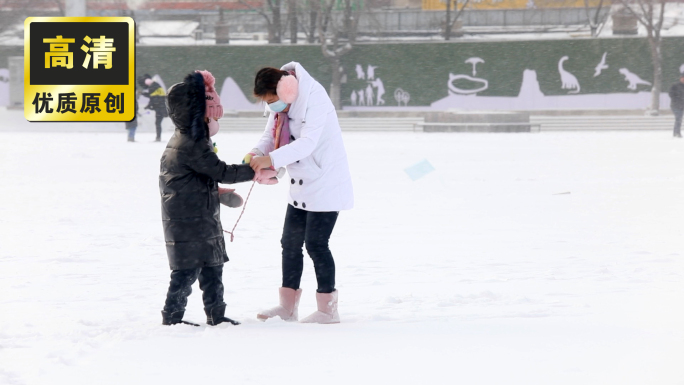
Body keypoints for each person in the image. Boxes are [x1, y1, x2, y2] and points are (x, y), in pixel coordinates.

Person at [159, 70, 277, 327]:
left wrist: (216, 193)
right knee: (186, 271)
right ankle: (172, 316)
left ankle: (216, 313)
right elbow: (219, 170)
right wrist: (254, 169)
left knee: (213, 267)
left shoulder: (189, 139)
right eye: (206, 111)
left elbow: (195, 178)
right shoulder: (191, 143)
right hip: (188, 221)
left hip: (199, 216)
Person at [246, 62, 354, 324]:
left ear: (286, 88)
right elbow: (269, 135)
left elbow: (307, 143)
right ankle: (287, 306)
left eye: (272, 100)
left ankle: (328, 309)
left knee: (317, 245)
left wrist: (270, 159)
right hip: (301, 182)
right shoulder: (283, 100)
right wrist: (256, 153)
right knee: (290, 243)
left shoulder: (314, 97)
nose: (272, 106)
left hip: (325, 181)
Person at [139, 74, 168, 142]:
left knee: (158, 123)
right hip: (162, 107)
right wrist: (142, 93)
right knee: (158, 123)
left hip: (159, 109)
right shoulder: (157, 86)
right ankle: (158, 137)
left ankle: (158, 137)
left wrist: (148, 106)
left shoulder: (152, 88)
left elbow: (153, 99)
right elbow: (152, 96)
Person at [668, 73, 684, 138]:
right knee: (678, 119)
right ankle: (677, 133)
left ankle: (676, 132)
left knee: (679, 119)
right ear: (680, 78)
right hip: (675, 105)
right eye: (682, 78)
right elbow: (670, 93)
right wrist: (676, 99)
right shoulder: (675, 85)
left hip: (682, 106)